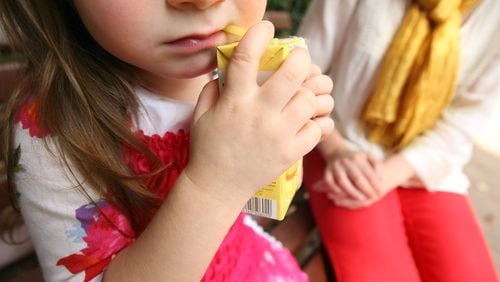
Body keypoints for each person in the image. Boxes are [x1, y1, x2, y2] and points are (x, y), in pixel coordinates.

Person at [0, 0, 335, 281]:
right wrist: (216, 184)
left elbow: (256, 193)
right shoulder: (50, 127)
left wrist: (290, 124)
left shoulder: (228, 68)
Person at [298, 0, 499, 281]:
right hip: (339, 146)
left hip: (427, 165)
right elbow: (302, 70)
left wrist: (385, 176)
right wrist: (336, 151)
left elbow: (463, 122)